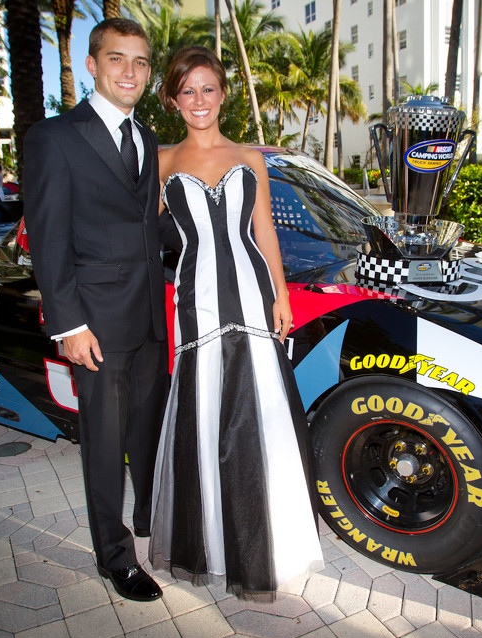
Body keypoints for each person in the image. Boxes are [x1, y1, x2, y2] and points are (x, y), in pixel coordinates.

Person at [150, 45, 323, 600]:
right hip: (197, 298)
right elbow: (132, 236)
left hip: (252, 296)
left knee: (260, 415)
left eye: (208, 88)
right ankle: (215, 545)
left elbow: (264, 229)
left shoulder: (250, 157)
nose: (199, 100)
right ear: (173, 99)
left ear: (223, 94)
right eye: (187, 90)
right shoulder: (161, 162)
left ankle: (278, 541)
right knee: (206, 419)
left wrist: (280, 295)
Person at [22, 18, 169, 603]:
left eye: (139, 61)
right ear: (91, 64)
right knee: (106, 449)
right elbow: (49, 238)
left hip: (150, 319)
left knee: (147, 434)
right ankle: (115, 558)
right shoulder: (55, 137)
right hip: (96, 326)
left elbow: (146, 226)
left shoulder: (147, 137)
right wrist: (69, 324)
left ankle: (152, 521)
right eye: (117, 59)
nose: (129, 71)